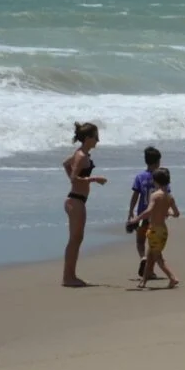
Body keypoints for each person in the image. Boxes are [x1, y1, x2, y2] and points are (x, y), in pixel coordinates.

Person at [61, 122, 107, 287]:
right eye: (96, 137)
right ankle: (68, 277)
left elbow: (66, 164)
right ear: (88, 138)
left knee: (77, 239)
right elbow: (74, 177)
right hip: (75, 200)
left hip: (77, 199)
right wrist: (94, 179)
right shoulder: (81, 156)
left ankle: (70, 275)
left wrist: (80, 183)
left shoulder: (81, 154)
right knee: (75, 239)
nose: (98, 140)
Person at [129, 167, 180, 289]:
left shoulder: (155, 195)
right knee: (150, 256)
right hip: (163, 230)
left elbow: (149, 210)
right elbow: (177, 213)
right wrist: (168, 213)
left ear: (155, 181)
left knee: (157, 257)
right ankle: (144, 281)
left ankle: (172, 277)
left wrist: (136, 219)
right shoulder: (169, 197)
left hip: (154, 230)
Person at [127, 146, 166, 278]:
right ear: (158, 162)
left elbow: (135, 196)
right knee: (154, 244)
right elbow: (165, 195)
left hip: (142, 214)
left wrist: (131, 211)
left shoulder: (140, 177)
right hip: (155, 216)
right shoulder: (161, 177)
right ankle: (150, 270)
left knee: (140, 241)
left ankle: (143, 258)